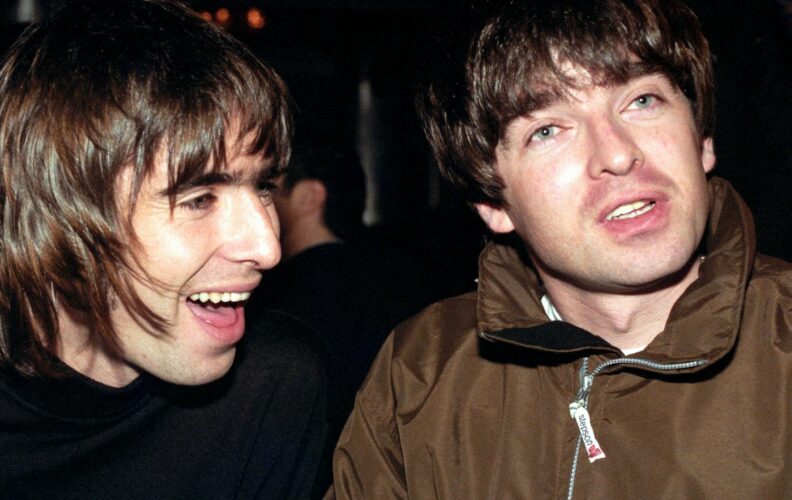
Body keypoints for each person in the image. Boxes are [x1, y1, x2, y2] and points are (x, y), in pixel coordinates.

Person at [328, 0, 792, 497]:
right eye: (547, 130)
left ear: (701, 139)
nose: (617, 153)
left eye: (642, 100)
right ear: (492, 201)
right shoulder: (419, 375)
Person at [0, 0, 326, 497]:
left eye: (263, 187)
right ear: (58, 215)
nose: (267, 246)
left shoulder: (274, 387)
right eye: (199, 200)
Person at [252, 137, 434, 496]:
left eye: (267, 189)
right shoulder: (407, 281)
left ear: (308, 197)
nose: (259, 206)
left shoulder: (280, 302)